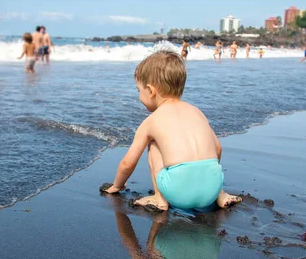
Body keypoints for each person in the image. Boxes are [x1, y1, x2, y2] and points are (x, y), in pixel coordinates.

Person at [103, 51, 243, 211]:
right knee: (206, 156)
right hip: (212, 189)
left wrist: (117, 186)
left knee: (154, 145)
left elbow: (127, 163)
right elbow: (218, 149)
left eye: (138, 91)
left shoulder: (152, 121)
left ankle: (159, 198)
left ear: (150, 90)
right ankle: (221, 195)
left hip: (178, 193)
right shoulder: (197, 112)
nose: (138, 97)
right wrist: (213, 185)